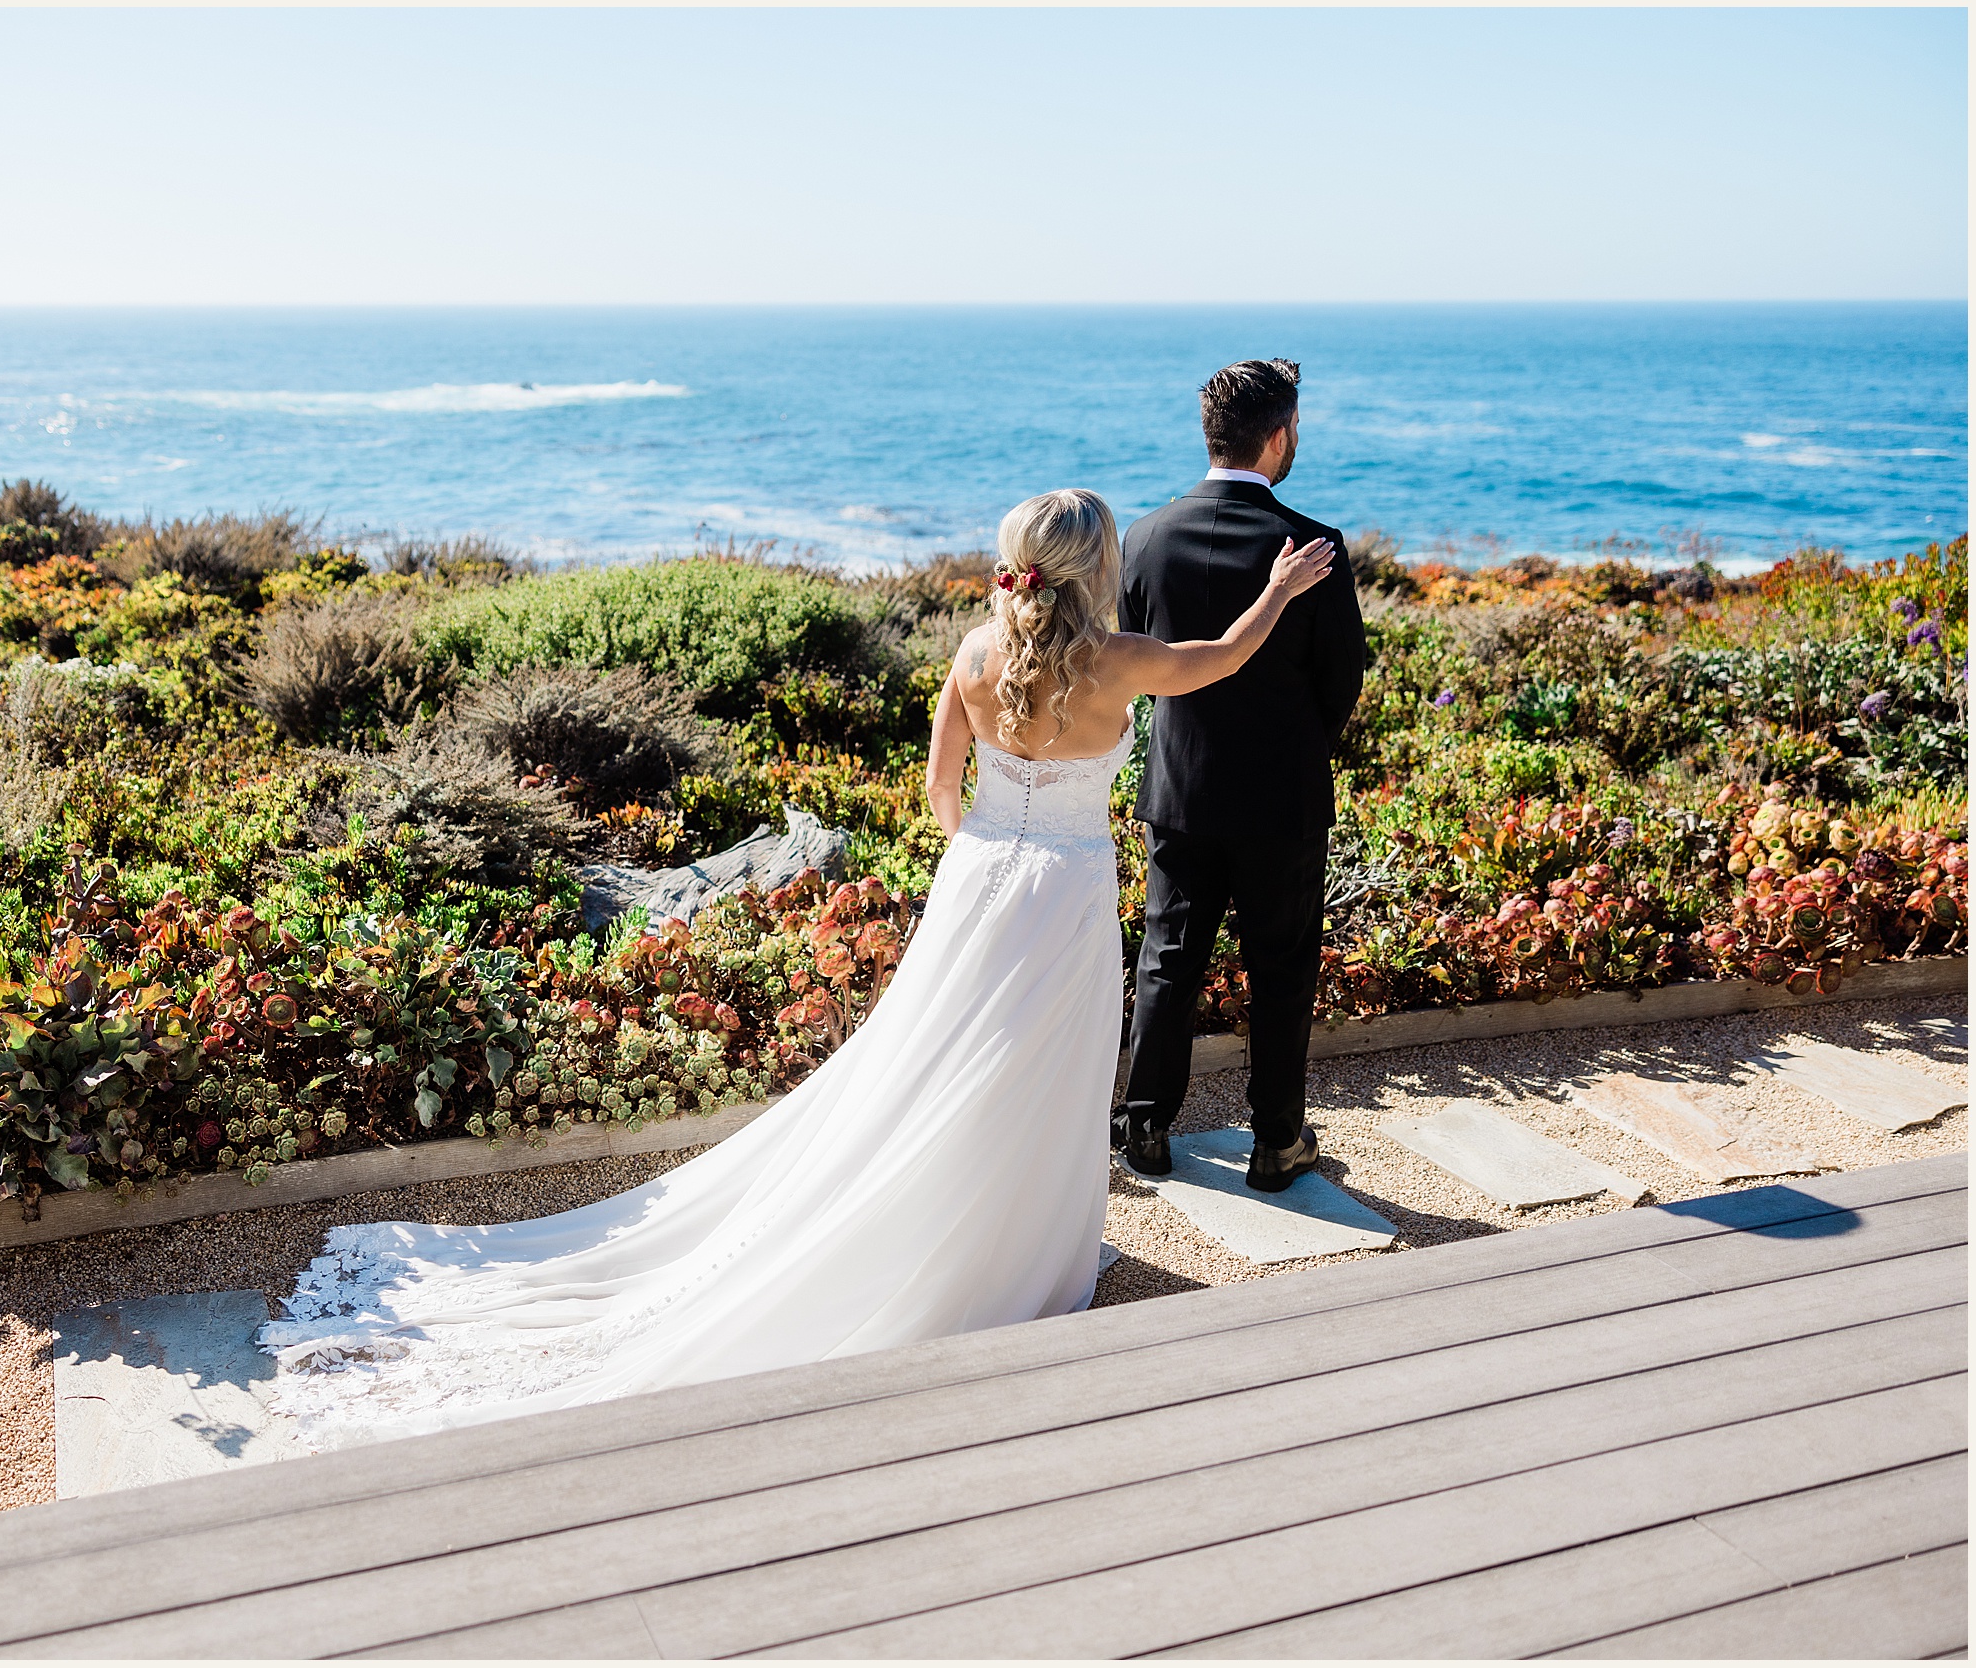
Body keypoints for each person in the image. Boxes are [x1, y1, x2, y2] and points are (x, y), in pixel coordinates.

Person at [256, 489, 1333, 1450]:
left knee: (929, 1062)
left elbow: (937, 791)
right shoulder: (1116, 661)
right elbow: (1223, 660)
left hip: (980, 883)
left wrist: (980, 859)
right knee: (1036, 1070)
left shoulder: (970, 655)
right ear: (1097, 570)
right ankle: (1021, 1257)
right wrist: (1279, 587)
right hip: (1062, 892)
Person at [1114, 359, 1369, 1194]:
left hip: (1180, 791)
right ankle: (1277, 1142)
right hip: (1282, 798)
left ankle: (1145, 1126)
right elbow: (1342, 681)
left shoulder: (1143, 538)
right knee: (1282, 967)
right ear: (1278, 435)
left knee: (1167, 959)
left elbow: (1138, 660)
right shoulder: (1315, 548)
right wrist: (1299, 745)